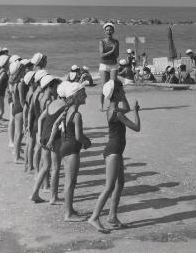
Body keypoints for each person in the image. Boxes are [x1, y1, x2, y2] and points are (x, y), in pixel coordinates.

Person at [88, 80, 141, 231]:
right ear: (115, 93)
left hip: (116, 151)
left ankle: (112, 216)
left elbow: (127, 108)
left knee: (120, 183)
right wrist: (137, 112)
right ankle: (94, 217)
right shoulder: (117, 113)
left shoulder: (112, 109)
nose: (124, 91)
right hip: (113, 152)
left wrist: (122, 96)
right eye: (121, 89)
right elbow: (136, 127)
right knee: (109, 187)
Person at [49, 82, 91, 221]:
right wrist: (86, 142)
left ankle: (70, 209)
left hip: (64, 146)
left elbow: (58, 127)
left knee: (69, 181)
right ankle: (68, 214)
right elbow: (78, 136)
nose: (85, 95)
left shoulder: (67, 111)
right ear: (77, 96)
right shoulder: (76, 114)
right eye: (83, 93)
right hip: (72, 148)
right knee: (70, 182)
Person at [31, 75, 64, 204]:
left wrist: (39, 135)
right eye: (56, 86)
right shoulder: (63, 105)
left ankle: (34, 193)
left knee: (45, 167)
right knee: (55, 168)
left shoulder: (51, 103)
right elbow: (57, 125)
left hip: (43, 134)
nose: (56, 89)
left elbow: (40, 119)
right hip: (53, 137)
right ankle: (54, 197)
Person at [99, 22, 120, 111]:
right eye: (107, 30)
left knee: (113, 86)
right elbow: (102, 55)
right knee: (104, 86)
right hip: (104, 65)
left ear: (113, 31)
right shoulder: (102, 42)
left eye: (110, 29)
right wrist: (112, 50)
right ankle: (101, 105)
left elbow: (117, 55)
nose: (109, 31)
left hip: (114, 65)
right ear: (105, 31)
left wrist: (114, 52)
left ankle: (112, 105)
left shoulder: (116, 42)